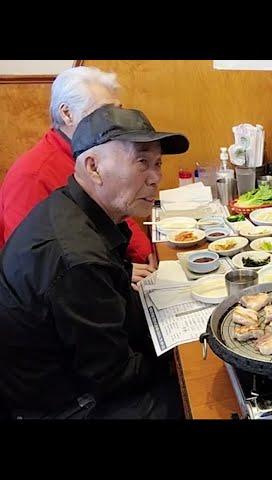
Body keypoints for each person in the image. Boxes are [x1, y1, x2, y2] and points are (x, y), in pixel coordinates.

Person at [0, 105, 189, 419]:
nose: (156, 178)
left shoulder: (75, 206)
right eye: (142, 162)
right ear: (93, 167)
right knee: (203, 394)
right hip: (64, 405)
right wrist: (180, 352)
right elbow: (114, 377)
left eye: (158, 163)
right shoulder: (77, 257)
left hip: (74, 375)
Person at [0, 66, 156, 285]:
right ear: (67, 114)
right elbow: (33, 264)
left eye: (117, 110)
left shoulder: (98, 153)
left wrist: (144, 252)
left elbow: (115, 208)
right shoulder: (33, 175)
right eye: (104, 113)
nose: (115, 121)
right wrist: (119, 272)